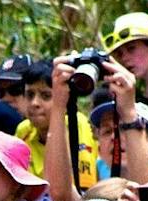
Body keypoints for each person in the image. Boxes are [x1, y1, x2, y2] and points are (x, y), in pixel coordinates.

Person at [22, 56, 101, 192]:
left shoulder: (79, 124)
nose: (35, 103)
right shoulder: (23, 132)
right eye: (29, 95)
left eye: (46, 96)